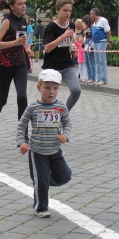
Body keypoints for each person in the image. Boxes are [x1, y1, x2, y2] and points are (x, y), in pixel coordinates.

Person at [17, 69, 72, 218]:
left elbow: (68, 124)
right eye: (47, 88)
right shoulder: (33, 107)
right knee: (41, 181)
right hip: (37, 151)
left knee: (65, 175)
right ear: (39, 87)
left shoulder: (61, 107)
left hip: (55, 151)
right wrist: (22, 142)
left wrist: (65, 136)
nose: (51, 92)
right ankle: (40, 208)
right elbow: (22, 125)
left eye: (55, 88)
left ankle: (43, 181)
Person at [0, 0, 34, 141]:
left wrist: (27, 48)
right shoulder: (6, 22)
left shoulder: (23, 21)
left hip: (20, 64)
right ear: (12, 6)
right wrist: (14, 44)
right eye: (20, 4)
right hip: (5, 65)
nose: (23, 6)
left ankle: (23, 134)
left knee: (22, 96)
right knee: (2, 99)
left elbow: (21, 39)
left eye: (24, 3)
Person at [42, 0, 80, 111]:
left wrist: (72, 49)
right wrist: (63, 36)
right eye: (65, 10)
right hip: (52, 66)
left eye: (69, 11)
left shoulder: (71, 26)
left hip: (67, 64)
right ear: (57, 10)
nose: (67, 13)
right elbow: (47, 48)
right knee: (49, 96)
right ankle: (46, 116)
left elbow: (68, 42)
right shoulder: (52, 26)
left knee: (76, 90)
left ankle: (64, 113)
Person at [90, 8, 111, 86]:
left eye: (91, 14)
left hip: (101, 42)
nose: (90, 16)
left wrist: (107, 42)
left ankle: (103, 79)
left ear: (94, 14)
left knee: (102, 61)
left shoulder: (103, 20)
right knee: (97, 61)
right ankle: (98, 78)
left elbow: (108, 32)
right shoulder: (95, 23)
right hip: (95, 43)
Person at [82, 15, 95, 84]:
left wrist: (86, 33)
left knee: (91, 62)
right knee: (87, 62)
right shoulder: (86, 28)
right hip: (86, 46)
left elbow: (92, 37)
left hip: (90, 46)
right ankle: (89, 76)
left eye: (84, 22)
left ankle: (92, 77)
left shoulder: (92, 27)